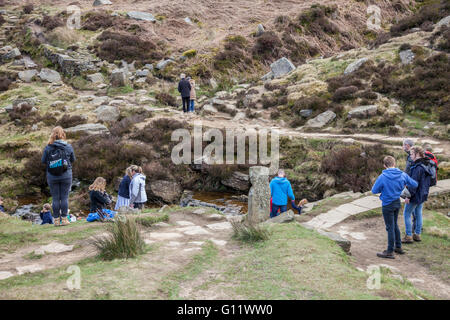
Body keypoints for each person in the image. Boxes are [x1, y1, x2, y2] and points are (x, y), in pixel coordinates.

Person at [371, 156, 418, 259]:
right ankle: (398, 247)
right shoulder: (403, 175)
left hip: (387, 204)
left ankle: (390, 251)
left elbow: (374, 190)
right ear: (394, 164)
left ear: (384, 165)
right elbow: (414, 184)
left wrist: (384, 190)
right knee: (395, 225)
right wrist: (404, 186)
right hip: (397, 202)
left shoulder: (382, 177)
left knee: (390, 227)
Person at [41, 126, 75, 227]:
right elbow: (73, 160)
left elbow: (43, 161)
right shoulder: (68, 146)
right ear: (63, 134)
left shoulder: (48, 147)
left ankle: (56, 221)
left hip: (52, 176)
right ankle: (64, 220)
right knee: (64, 197)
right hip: (66, 175)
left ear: (52, 135)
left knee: (55, 198)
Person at [402, 146, 433, 243]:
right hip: (423, 194)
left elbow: (413, 184)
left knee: (406, 213)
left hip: (415, 195)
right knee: (418, 213)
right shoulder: (427, 164)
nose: (410, 156)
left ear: (417, 154)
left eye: (411, 154)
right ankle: (417, 234)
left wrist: (407, 196)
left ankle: (408, 236)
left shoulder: (417, 168)